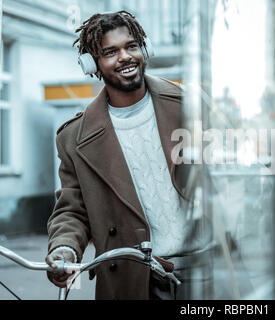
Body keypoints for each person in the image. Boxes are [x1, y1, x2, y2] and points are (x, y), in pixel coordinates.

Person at [46, 11, 212, 300]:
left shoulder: (191, 106)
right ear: (91, 65)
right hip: (134, 281)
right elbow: (72, 210)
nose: (124, 57)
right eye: (110, 52)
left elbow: (229, 175)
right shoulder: (73, 139)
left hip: (206, 272)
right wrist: (65, 247)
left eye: (131, 46)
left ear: (144, 49)